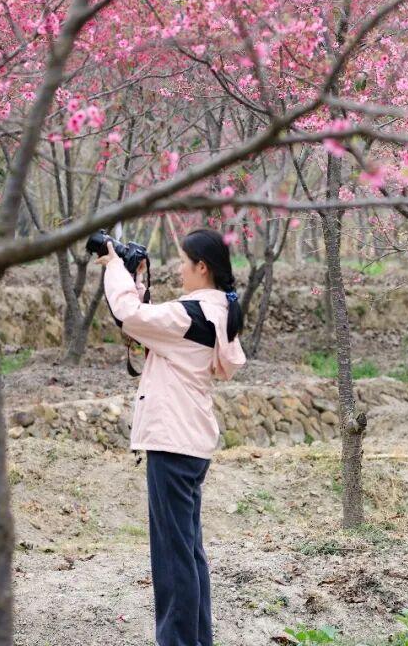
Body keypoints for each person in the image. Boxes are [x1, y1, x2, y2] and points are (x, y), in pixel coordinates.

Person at [97, 227, 246, 646]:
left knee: (172, 558)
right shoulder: (212, 313)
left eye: (183, 261)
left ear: (202, 267)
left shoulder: (190, 315)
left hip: (173, 442)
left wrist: (114, 267)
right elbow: (147, 325)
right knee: (188, 552)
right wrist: (136, 279)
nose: (178, 269)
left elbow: (130, 316)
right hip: (190, 441)